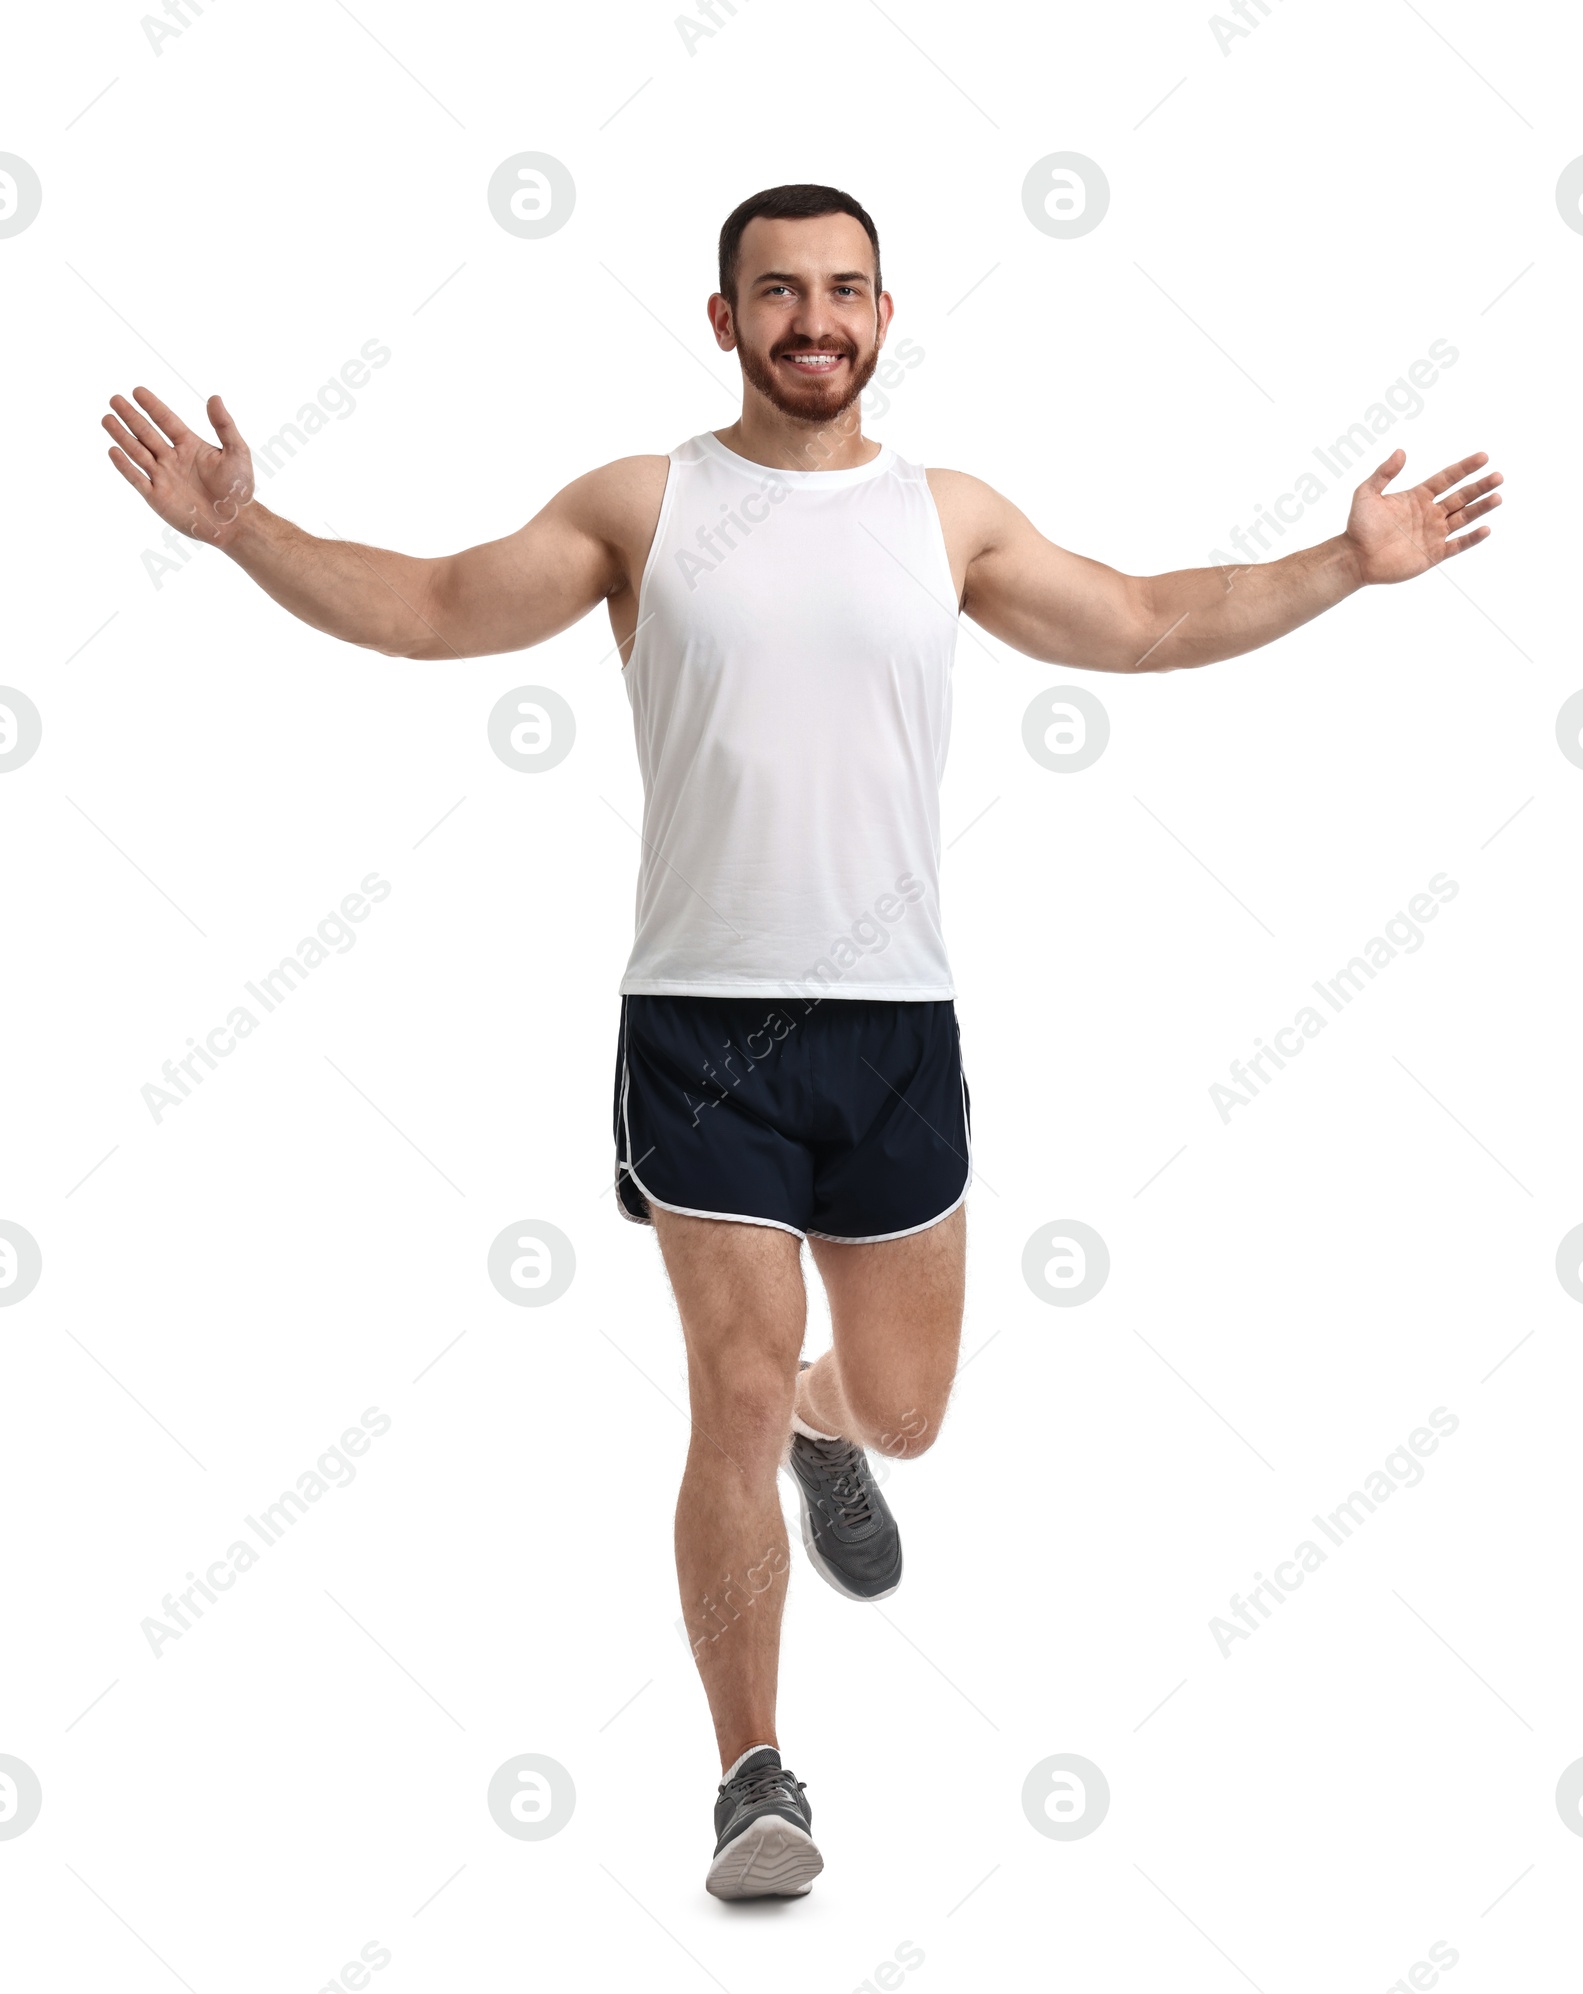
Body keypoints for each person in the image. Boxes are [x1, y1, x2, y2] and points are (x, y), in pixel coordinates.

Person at [102, 181, 1503, 1901]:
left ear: (885, 315)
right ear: (725, 321)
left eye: (843, 290)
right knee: (734, 1381)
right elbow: (436, 601)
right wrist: (250, 529)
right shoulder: (644, 504)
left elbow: (1144, 617)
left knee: (900, 1410)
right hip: (704, 1024)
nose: (813, 320)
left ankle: (838, 1435)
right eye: (777, 293)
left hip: (898, 1022)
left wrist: (1348, 566)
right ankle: (754, 1774)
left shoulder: (950, 515)